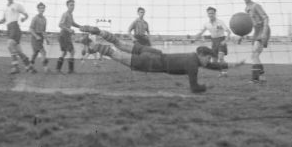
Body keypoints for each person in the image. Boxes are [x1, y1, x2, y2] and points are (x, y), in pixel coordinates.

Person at [80, 26, 245, 94]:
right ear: (201, 55)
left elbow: (212, 66)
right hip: (152, 63)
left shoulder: (193, 58)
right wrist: (206, 87)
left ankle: (98, 32)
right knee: (115, 54)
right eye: (208, 57)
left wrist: (233, 65)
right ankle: (91, 44)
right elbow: (194, 88)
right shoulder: (193, 66)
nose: (208, 60)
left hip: (153, 52)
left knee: (119, 44)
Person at [0, 0, 36, 74]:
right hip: (9, 29)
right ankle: (29, 67)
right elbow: (3, 20)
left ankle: (15, 67)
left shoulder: (17, 5)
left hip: (15, 28)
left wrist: (24, 18)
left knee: (9, 45)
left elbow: (26, 15)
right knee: (19, 51)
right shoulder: (5, 8)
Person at [191, 7, 232, 77]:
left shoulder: (220, 22)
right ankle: (221, 73)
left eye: (212, 13)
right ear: (207, 14)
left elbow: (228, 32)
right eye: (209, 13)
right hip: (214, 42)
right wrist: (194, 38)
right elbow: (201, 33)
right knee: (214, 60)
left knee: (221, 58)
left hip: (221, 41)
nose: (211, 15)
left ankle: (225, 72)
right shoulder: (206, 24)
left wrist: (225, 40)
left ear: (215, 14)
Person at [241, 0, 270, 83]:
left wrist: (264, 32)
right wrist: (242, 35)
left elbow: (266, 18)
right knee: (254, 55)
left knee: (255, 54)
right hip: (256, 31)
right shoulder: (246, 9)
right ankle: (262, 77)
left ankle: (255, 78)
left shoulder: (256, 6)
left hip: (263, 29)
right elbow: (249, 25)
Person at [57, 0, 83, 74]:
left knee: (66, 52)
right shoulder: (65, 14)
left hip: (67, 35)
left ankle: (60, 69)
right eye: (71, 5)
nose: (72, 6)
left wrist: (80, 26)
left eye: (73, 5)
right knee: (71, 51)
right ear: (67, 6)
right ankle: (69, 70)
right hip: (63, 35)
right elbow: (60, 25)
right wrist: (69, 30)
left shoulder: (70, 15)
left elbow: (72, 23)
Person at [29, 2, 50, 72]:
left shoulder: (44, 19)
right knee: (43, 52)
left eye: (43, 8)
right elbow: (30, 29)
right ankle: (45, 68)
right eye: (40, 8)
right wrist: (36, 36)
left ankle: (30, 66)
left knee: (35, 53)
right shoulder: (35, 18)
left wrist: (46, 39)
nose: (42, 9)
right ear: (37, 9)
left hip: (41, 38)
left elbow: (44, 31)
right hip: (35, 38)